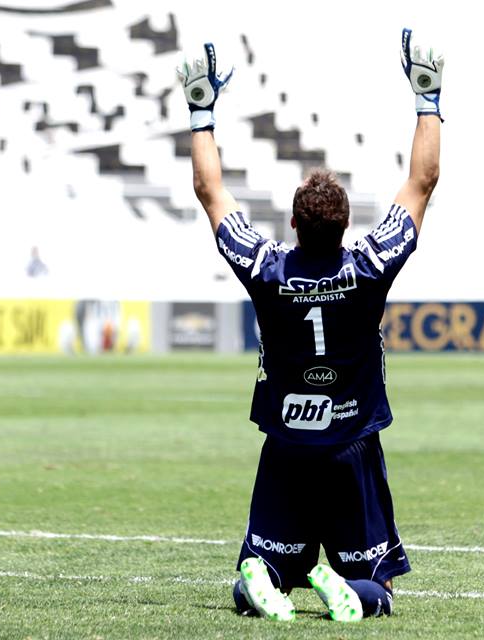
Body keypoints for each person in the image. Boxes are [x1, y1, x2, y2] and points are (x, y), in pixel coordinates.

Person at [179, 29, 442, 622]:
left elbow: (209, 191)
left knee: (259, 572)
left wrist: (201, 112)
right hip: (350, 445)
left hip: (288, 445)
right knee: (377, 586)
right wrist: (427, 99)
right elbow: (422, 183)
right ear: (346, 227)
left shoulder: (265, 268)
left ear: (294, 224)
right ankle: (346, 589)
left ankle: (261, 579)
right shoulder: (369, 266)